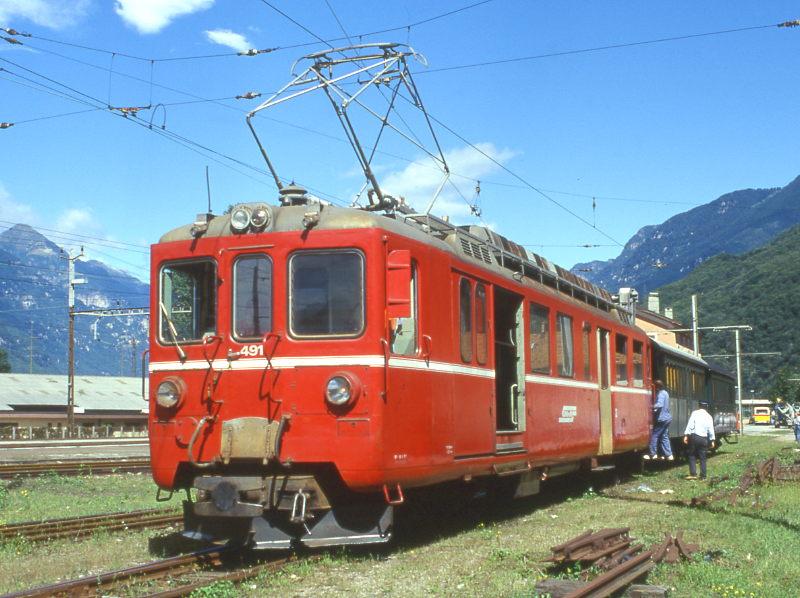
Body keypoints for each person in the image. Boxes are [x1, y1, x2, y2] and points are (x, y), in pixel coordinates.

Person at [683, 401, 716, 480]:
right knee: (703, 457)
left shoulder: (695, 413)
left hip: (695, 437)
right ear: (706, 407)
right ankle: (703, 476)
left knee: (692, 455)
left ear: (699, 406)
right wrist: (712, 440)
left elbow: (690, 424)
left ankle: (693, 474)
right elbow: (711, 429)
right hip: (704, 438)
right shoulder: (709, 416)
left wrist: (686, 435)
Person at [645, 380, 673, 461]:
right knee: (664, 436)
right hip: (667, 418)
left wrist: (650, 406)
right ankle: (669, 454)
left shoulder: (660, 394)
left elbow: (659, 405)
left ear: (657, 387)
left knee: (654, 435)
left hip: (661, 419)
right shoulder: (666, 393)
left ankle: (653, 454)